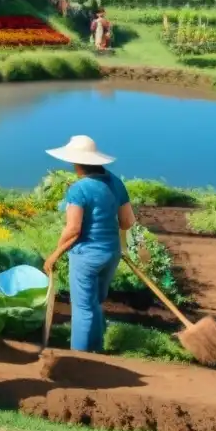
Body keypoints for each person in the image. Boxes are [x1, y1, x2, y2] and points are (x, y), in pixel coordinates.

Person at [43, 136, 136, 353]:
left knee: (83, 309)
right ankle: (97, 352)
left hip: (86, 256)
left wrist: (54, 254)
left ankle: (79, 360)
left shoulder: (79, 189)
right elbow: (127, 221)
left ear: (76, 163)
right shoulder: (115, 182)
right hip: (111, 254)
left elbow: (73, 229)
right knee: (94, 303)